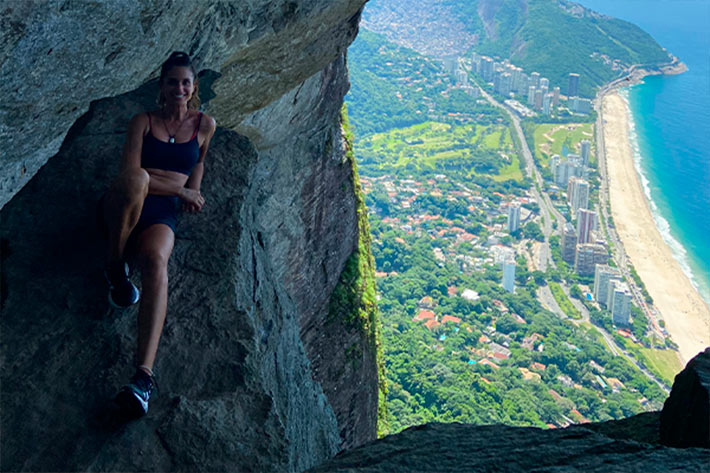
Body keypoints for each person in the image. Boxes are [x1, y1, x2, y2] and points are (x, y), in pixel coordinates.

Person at [100, 51, 216, 417]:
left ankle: (142, 380)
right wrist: (178, 188)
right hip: (127, 204)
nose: (179, 88)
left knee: (156, 261)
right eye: (172, 82)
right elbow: (131, 175)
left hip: (162, 212)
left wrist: (190, 190)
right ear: (161, 87)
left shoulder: (205, 125)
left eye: (185, 82)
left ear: (194, 87)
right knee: (138, 179)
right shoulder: (143, 122)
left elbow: (197, 163)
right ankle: (116, 268)